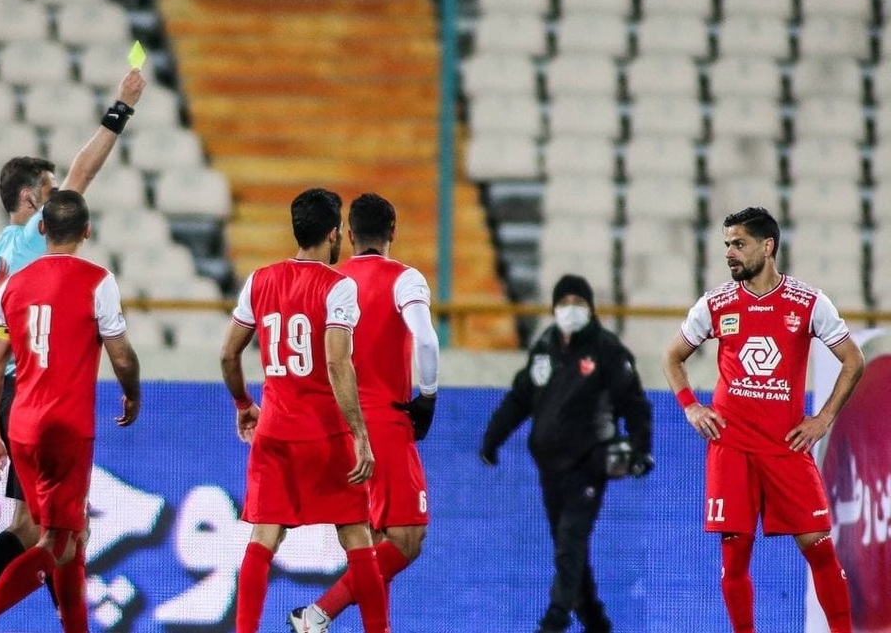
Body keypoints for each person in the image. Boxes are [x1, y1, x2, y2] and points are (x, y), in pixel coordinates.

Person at [0, 68, 145, 632]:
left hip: (12, 399)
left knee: (37, 528)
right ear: (31, 198)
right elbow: (86, 170)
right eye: (50, 188)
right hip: (44, 387)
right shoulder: (39, 233)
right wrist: (121, 107)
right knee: (51, 534)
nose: (60, 192)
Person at [661, 207, 865, 633]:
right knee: (734, 556)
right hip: (731, 446)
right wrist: (691, 406)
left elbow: (853, 359)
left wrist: (824, 418)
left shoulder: (808, 302)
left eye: (739, 244)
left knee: (820, 549)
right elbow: (673, 355)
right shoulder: (716, 303)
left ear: (767, 246)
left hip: (785, 446)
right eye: (727, 245)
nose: (730, 253)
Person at [0, 189, 141, 633]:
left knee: (70, 535)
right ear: (87, 231)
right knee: (58, 543)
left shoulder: (12, 285)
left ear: (41, 228)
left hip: (21, 426)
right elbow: (121, 355)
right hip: (66, 429)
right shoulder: (98, 281)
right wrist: (132, 392)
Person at [220, 187, 390, 633]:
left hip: (274, 432)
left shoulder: (259, 280)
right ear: (334, 234)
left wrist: (243, 404)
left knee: (263, 538)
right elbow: (336, 363)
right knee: (356, 535)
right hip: (325, 434)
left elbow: (228, 354)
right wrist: (360, 434)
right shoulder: (338, 286)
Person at [289, 192, 440, 633]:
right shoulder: (404, 279)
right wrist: (428, 397)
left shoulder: (331, 282)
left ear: (350, 235)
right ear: (393, 231)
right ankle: (316, 615)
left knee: (371, 542)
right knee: (407, 538)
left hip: (335, 425)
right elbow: (426, 339)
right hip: (383, 421)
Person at [480, 274, 653, 633]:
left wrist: (641, 449)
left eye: (578, 302)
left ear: (590, 308)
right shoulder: (545, 346)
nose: (570, 309)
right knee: (569, 547)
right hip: (550, 467)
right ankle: (595, 621)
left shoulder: (607, 350)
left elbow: (634, 403)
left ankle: (554, 620)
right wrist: (492, 439)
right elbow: (520, 397)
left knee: (570, 542)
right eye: (564, 302)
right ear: (554, 307)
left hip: (589, 463)